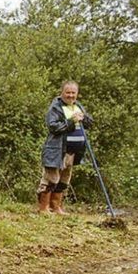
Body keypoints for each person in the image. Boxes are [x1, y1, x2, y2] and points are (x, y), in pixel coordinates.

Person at [37, 80, 93, 215]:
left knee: (64, 180)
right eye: (68, 92)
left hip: (73, 151)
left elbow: (89, 123)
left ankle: (56, 207)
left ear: (77, 94)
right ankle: (43, 208)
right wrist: (71, 121)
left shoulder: (78, 106)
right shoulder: (55, 107)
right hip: (57, 149)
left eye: (73, 93)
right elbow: (53, 127)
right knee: (51, 178)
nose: (71, 95)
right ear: (62, 92)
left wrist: (84, 118)